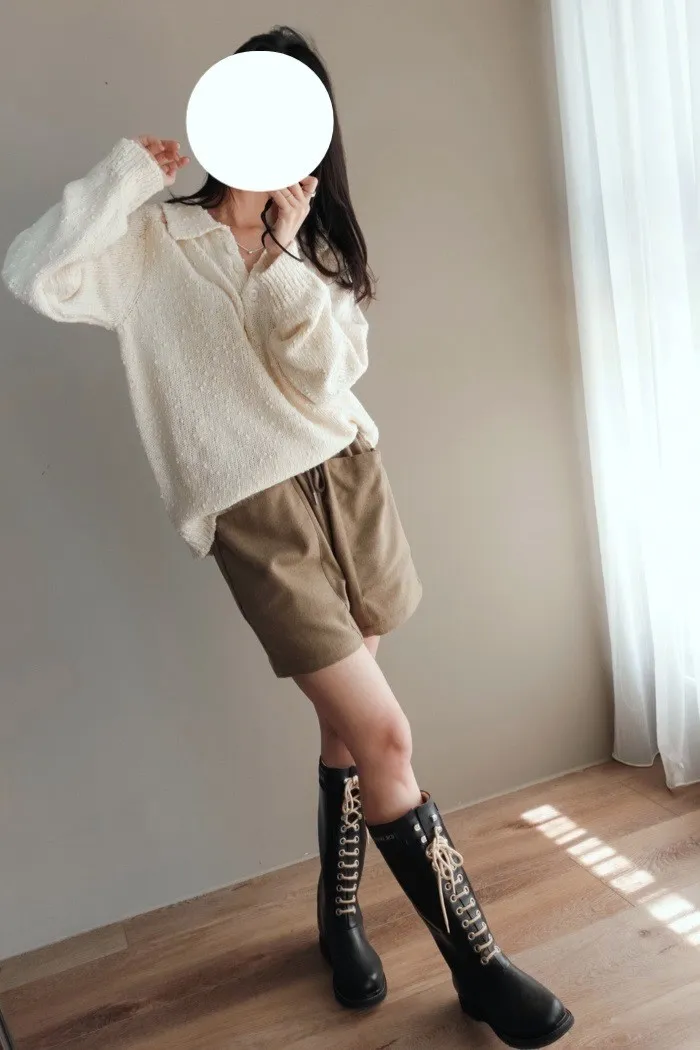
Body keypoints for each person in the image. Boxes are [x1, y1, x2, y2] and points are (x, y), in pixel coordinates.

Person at [2, 25, 574, 1049]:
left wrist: (280, 254)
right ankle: (481, 969)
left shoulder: (316, 246)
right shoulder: (151, 242)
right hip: (255, 514)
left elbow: (323, 378)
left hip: (350, 484)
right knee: (387, 736)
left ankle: (338, 915)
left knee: (348, 733)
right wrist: (126, 177)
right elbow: (32, 274)